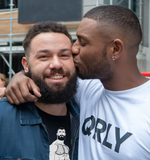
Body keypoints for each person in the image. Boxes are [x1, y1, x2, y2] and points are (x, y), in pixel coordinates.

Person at [5, 5, 150, 160]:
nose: (73, 49)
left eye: (82, 42)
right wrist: (22, 76)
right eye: (75, 41)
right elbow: (51, 76)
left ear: (115, 49)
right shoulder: (89, 87)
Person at [0, 21, 79, 160]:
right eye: (44, 56)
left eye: (64, 55)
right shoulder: (3, 117)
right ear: (26, 64)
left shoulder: (88, 115)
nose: (56, 64)